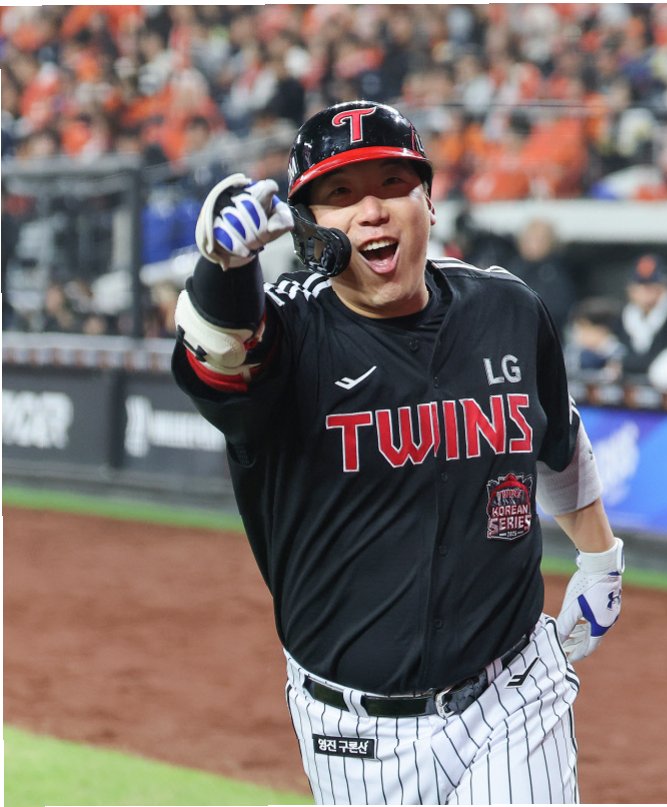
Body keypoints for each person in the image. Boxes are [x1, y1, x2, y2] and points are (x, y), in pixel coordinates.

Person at [171, 100, 624, 805]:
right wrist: (223, 267)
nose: (372, 210)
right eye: (341, 195)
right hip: (356, 732)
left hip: (514, 688)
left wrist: (600, 558)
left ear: (429, 203)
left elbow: (556, 435)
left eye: (392, 184)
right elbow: (220, 352)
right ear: (309, 229)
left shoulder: (505, 307)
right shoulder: (287, 332)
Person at [565, 296, 626, 381]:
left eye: (585, 328)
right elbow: (569, 373)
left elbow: (612, 376)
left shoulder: (617, 351)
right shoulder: (574, 350)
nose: (580, 334)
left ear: (602, 330)